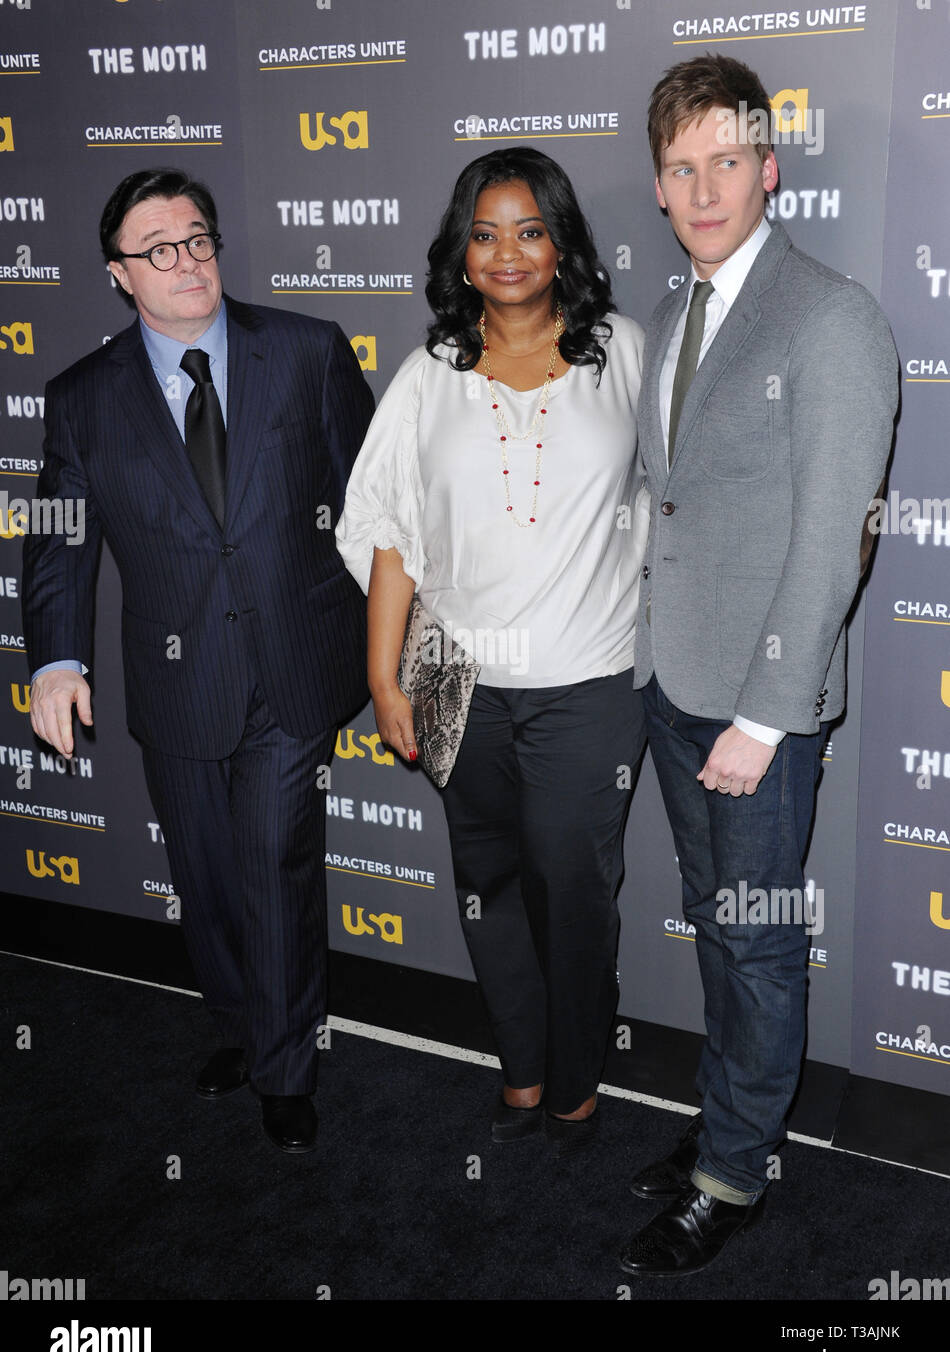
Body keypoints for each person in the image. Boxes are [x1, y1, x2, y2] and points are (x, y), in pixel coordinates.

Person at [21, 168, 374, 1154]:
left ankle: (286, 1065)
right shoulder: (82, 399)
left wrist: (395, 644)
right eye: (158, 248)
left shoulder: (305, 352)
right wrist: (53, 658)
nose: (187, 261)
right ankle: (241, 1026)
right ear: (117, 275)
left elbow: (376, 504)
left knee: (275, 864)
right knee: (207, 879)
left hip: (295, 666)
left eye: (198, 239)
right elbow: (55, 535)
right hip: (175, 679)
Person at [619, 55, 898, 1273]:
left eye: (723, 159)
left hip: (756, 710)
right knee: (716, 924)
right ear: (659, 185)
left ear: (766, 167)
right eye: (677, 168)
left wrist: (767, 716)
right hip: (673, 685)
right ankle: (721, 1120)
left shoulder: (831, 315)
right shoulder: (669, 312)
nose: (701, 186)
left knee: (755, 932)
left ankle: (734, 1175)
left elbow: (833, 533)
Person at [337, 147, 647, 1150]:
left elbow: (684, 496)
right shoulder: (429, 376)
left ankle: (576, 1078)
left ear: (560, 241)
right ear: (459, 254)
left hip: (585, 683)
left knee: (573, 889)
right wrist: (384, 676)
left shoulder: (625, 355)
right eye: (483, 232)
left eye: (526, 228)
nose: (505, 252)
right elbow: (390, 530)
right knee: (488, 887)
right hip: (455, 681)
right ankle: (520, 1068)